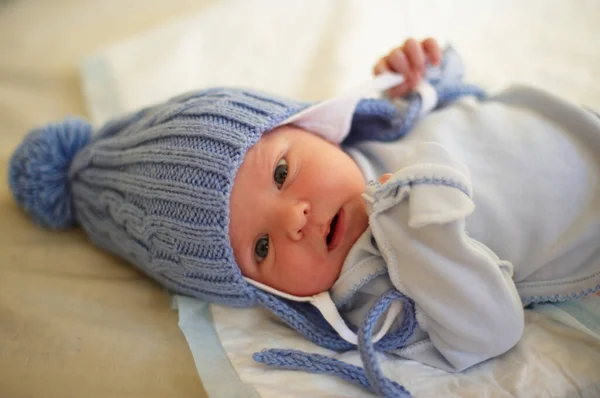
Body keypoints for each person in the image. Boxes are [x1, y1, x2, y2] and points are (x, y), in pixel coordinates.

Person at [9, 38, 600, 397]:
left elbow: (466, 90)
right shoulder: (370, 289)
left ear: (303, 123)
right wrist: (427, 232)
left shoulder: (379, 126)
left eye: (283, 173)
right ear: (263, 292)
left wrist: (425, 72)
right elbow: (491, 334)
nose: (294, 217)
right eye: (262, 248)